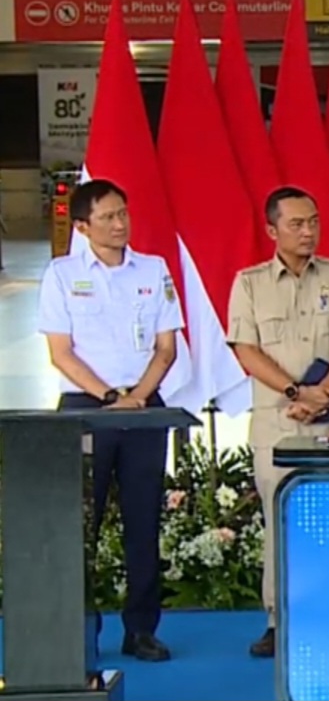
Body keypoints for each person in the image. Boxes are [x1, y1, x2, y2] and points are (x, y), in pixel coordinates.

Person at [226, 186, 329, 657]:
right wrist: (296, 392)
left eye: (313, 221)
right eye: (297, 224)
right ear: (272, 230)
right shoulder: (249, 282)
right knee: (282, 519)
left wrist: (323, 391)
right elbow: (245, 350)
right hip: (279, 419)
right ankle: (280, 620)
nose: (308, 231)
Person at [37, 179, 181, 662]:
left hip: (144, 409)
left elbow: (166, 347)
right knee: (82, 525)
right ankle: (77, 632)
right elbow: (61, 352)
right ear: (82, 226)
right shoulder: (60, 274)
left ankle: (141, 629)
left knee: (143, 523)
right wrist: (109, 397)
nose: (121, 224)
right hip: (84, 409)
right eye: (108, 217)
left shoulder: (153, 269)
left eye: (124, 213)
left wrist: (136, 398)